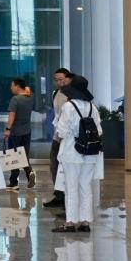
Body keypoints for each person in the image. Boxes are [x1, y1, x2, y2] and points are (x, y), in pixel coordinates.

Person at [52, 75, 102, 233]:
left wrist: (61, 137)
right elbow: (99, 131)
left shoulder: (69, 106)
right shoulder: (92, 107)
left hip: (72, 152)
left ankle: (71, 222)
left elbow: (62, 131)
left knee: (71, 187)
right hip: (90, 152)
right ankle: (85, 222)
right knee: (85, 186)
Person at [44, 69, 74, 210]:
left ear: (68, 79)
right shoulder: (56, 93)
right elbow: (57, 114)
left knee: (65, 166)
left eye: (61, 79)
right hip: (57, 135)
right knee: (54, 164)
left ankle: (67, 197)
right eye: (56, 79)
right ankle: (59, 195)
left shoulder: (72, 95)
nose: (58, 82)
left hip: (68, 136)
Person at [4, 77, 36, 190]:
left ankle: (14, 182)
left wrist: (8, 129)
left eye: (12, 85)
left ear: (17, 86)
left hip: (15, 132)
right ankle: (29, 173)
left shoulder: (15, 99)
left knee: (14, 157)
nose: (10, 88)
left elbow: (12, 115)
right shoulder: (30, 97)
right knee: (23, 155)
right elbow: (29, 90)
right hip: (27, 131)